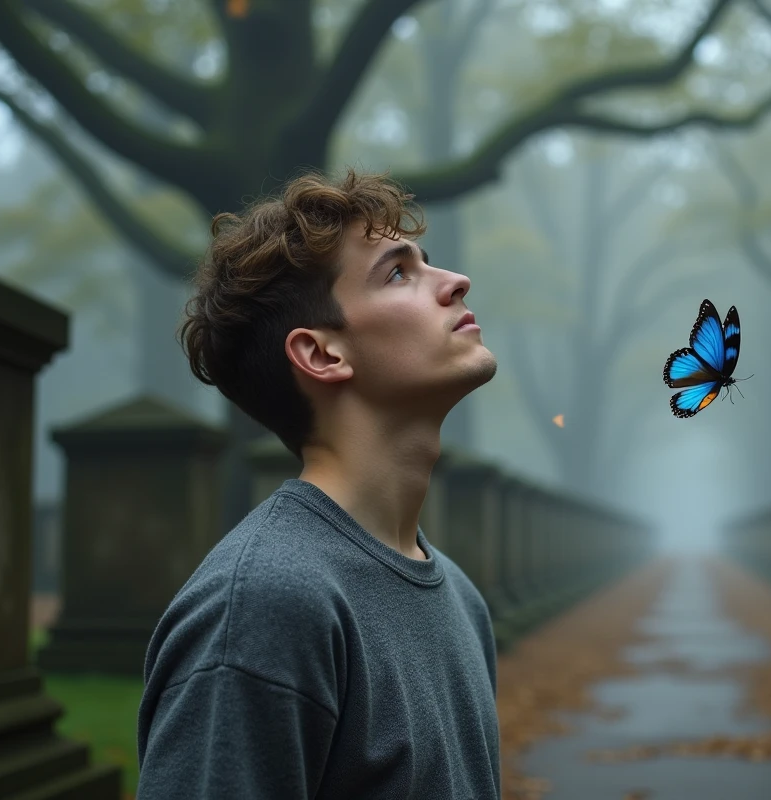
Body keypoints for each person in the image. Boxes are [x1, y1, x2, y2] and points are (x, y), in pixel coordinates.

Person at [135, 168, 501, 799]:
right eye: (397, 273)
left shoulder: (462, 599)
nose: (456, 281)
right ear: (322, 354)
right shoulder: (263, 607)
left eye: (425, 262)